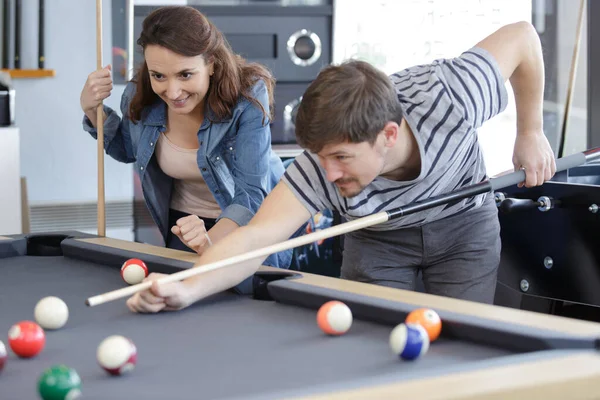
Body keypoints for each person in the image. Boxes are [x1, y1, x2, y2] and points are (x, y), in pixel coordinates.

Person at [126, 21, 556, 313]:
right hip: (376, 239)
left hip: (463, 227)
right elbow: (255, 237)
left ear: (388, 135)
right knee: (371, 347)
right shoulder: (321, 164)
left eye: (342, 159)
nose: (328, 175)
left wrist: (530, 132)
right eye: (322, 157)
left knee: (463, 343)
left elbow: (522, 37)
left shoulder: (448, 94)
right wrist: (187, 288)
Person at [80, 6, 292, 290]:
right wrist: (93, 111)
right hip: (184, 228)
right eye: (158, 76)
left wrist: (211, 244)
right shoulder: (139, 95)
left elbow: (251, 196)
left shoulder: (247, 98)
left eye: (185, 75)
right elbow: (128, 150)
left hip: (247, 227)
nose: (172, 92)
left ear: (212, 64)